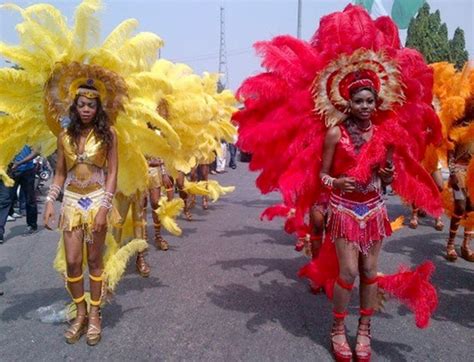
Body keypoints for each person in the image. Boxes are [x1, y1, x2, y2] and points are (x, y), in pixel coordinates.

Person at [234, 6, 441, 361]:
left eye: (370, 101)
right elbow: (323, 175)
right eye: (358, 100)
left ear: (377, 102)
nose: (364, 106)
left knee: (369, 271)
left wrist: (387, 177)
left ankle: (365, 330)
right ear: (347, 100)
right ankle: (337, 330)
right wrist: (336, 183)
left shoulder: (385, 133)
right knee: (347, 272)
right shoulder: (334, 133)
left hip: (373, 208)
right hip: (345, 209)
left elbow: (385, 176)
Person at [43, 83, 118, 346]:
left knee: (95, 261)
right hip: (72, 203)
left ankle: (96, 314)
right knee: (74, 262)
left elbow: (112, 174)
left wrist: (104, 208)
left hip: (97, 200)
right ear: (75, 106)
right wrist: (51, 200)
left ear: (98, 108)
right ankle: (81, 313)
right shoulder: (65, 135)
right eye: (82, 104)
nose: (86, 109)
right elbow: (60, 173)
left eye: (92, 105)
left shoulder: (109, 134)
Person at [10, 144, 39, 233]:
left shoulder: (29, 136)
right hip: (11, 171)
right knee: (5, 199)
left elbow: (36, 151)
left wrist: (19, 163)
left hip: (27, 171)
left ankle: (32, 224)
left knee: (30, 199)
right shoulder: (8, 133)